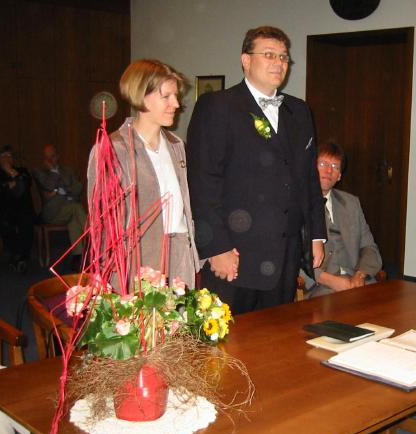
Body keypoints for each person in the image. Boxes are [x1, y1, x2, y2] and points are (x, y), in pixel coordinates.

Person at [187, 25, 326, 314]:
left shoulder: (299, 111)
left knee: (276, 337)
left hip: (285, 256)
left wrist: (315, 236)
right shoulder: (218, 106)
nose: (279, 63)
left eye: (284, 57)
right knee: (229, 339)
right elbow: (202, 183)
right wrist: (215, 248)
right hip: (235, 255)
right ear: (246, 60)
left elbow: (308, 179)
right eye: (269, 55)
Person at [88, 59, 200, 290]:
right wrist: (109, 277)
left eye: (176, 96)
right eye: (166, 96)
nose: (176, 104)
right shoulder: (113, 148)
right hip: (137, 262)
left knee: (181, 315)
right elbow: (101, 223)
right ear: (141, 96)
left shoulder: (176, 145)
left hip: (179, 255)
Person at [302, 141, 381, 298]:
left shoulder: (351, 203)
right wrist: (331, 281)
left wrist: (360, 274)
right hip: (322, 287)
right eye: (323, 164)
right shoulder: (297, 206)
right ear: (311, 168)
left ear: (339, 176)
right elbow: (292, 259)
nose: (329, 171)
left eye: (335, 166)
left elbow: (370, 248)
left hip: (357, 282)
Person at [34, 144, 87, 261]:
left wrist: (63, 190)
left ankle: (78, 257)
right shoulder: (40, 172)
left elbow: (78, 188)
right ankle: (95, 235)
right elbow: (49, 186)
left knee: (74, 218)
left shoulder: (68, 170)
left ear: (57, 156)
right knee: (76, 208)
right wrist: (53, 172)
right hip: (52, 213)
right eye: (46, 157)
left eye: (52, 156)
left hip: (69, 210)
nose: (50, 160)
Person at [0, 146, 34, 272]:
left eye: (9, 155)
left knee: (27, 219)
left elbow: (26, 184)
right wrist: (7, 185)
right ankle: (19, 256)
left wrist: (12, 173)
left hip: (21, 210)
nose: (6, 158)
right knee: (4, 223)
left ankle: (20, 258)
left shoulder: (22, 170)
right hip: (2, 212)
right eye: (3, 156)